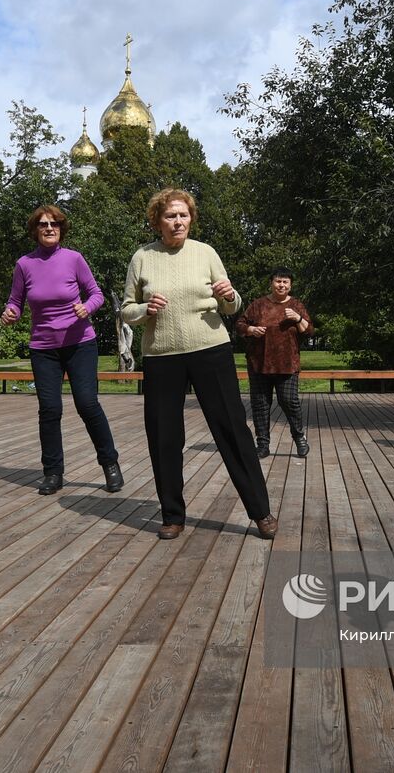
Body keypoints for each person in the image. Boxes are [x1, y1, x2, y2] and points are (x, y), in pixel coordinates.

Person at [122, 188, 275, 541]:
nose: (178, 222)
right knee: (164, 437)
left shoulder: (205, 253)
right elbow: (127, 310)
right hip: (162, 356)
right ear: (157, 221)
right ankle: (172, 515)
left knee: (233, 431)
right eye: (170, 216)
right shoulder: (142, 258)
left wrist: (228, 295)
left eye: (183, 215)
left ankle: (261, 512)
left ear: (191, 219)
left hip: (210, 351)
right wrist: (146, 310)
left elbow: (232, 305)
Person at [1, 204, 121, 496]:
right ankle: (53, 472)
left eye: (54, 223)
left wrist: (86, 307)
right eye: (43, 224)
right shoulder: (24, 265)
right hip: (43, 348)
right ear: (35, 230)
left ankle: (110, 464)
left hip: (80, 343)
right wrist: (10, 312)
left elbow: (96, 294)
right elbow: (15, 301)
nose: (49, 228)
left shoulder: (74, 259)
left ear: (61, 228)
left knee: (87, 403)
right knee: (50, 410)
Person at [237, 267, 313, 458]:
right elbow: (239, 325)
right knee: (260, 404)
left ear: (290, 285)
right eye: (278, 281)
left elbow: (309, 331)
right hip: (259, 363)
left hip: (287, 363)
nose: (281, 285)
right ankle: (262, 445)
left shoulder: (296, 305)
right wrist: (251, 330)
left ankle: (299, 438)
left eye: (285, 282)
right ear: (271, 283)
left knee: (289, 401)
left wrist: (298, 318)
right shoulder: (258, 304)